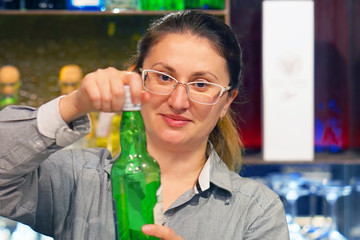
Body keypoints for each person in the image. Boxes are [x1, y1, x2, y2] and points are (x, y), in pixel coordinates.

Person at [0, 10, 289, 239]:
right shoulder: (78, 178)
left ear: (226, 101)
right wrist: (73, 104)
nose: (178, 101)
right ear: (136, 80)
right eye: (164, 77)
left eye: (201, 84)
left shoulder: (256, 211)